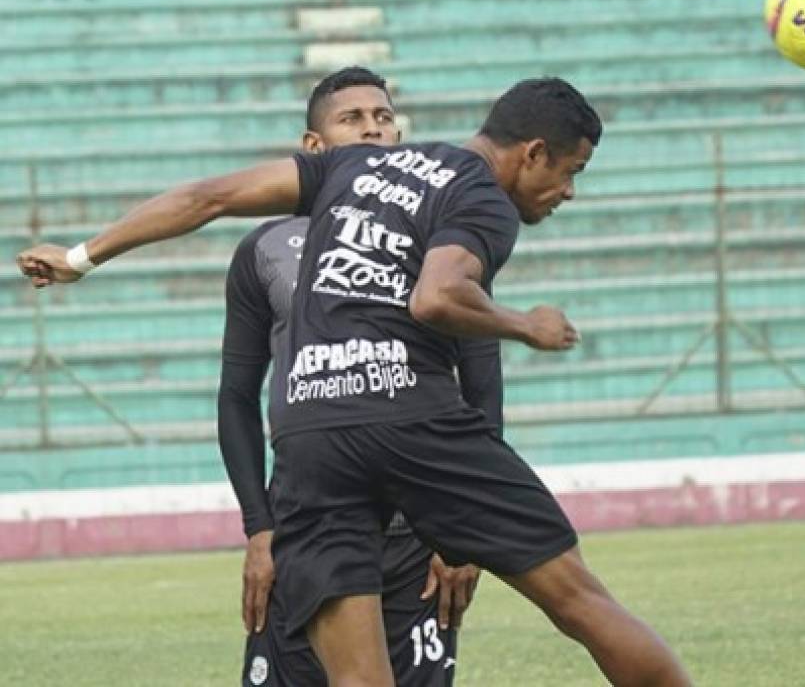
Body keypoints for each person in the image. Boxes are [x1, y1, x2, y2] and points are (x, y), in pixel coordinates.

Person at [17, 76, 691, 687]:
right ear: (535, 152)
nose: (568, 191)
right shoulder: (481, 195)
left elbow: (209, 196)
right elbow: (438, 299)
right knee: (580, 602)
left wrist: (81, 257)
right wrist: (528, 326)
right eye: (573, 171)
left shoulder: (353, 164)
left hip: (310, 429)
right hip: (411, 418)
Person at [221, 67, 493, 685]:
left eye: (383, 118)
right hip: (307, 523)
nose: (373, 128)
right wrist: (260, 529)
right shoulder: (264, 250)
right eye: (352, 120)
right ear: (313, 147)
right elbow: (237, 396)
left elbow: (480, 382)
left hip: (415, 531)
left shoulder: (441, 234)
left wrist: (462, 532)